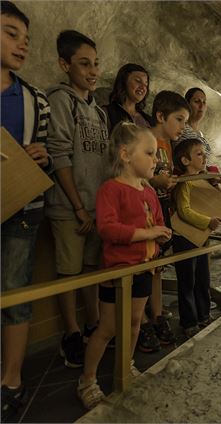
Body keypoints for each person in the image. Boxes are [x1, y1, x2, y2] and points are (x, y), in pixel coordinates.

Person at [78, 122, 171, 410]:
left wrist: (158, 239)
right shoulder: (111, 189)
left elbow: (158, 222)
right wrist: (148, 234)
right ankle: (87, 380)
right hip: (118, 274)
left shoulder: (149, 191)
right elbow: (107, 229)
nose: (155, 160)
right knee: (107, 328)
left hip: (143, 269)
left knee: (133, 321)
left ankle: (125, 366)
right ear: (125, 154)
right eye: (150, 153)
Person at [0, 2, 52, 420]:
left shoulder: (35, 99)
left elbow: (50, 151)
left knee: (16, 293)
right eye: (10, 33)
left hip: (22, 209)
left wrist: (41, 156)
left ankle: (12, 380)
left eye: (25, 39)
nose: (21, 45)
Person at [45, 30, 109, 368]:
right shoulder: (60, 99)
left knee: (90, 267)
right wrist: (79, 206)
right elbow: (60, 155)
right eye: (84, 64)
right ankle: (70, 334)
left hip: (94, 207)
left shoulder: (98, 112)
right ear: (64, 64)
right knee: (69, 271)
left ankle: (93, 325)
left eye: (95, 64)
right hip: (71, 206)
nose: (92, 71)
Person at [135, 90, 189, 351]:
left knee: (158, 265)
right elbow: (138, 176)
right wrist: (156, 181)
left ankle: (156, 315)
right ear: (160, 116)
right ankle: (143, 319)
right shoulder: (147, 141)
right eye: (179, 119)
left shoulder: (167, 145)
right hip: (144, 210)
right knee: (146, 264)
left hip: (161, 207)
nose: (183, 126)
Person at [172, 139, 221, 337]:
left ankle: (203, 315)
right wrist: (207, 221)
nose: (204, 157)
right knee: (187, 281)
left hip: (201, 236)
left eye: (204, 153)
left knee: (203, 277)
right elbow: (184, 211)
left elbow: (211, 204)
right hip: (185, 237)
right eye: (199, 154)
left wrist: (217, 215)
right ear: (185, 160)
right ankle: (189, 321)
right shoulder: (184, 184)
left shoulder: (204, 180)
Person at [104, 63, 152, 131]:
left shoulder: (149, 120)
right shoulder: (106, 113)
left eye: (146, 84)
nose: (143, 87)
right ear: (124, 82)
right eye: (138, 81)